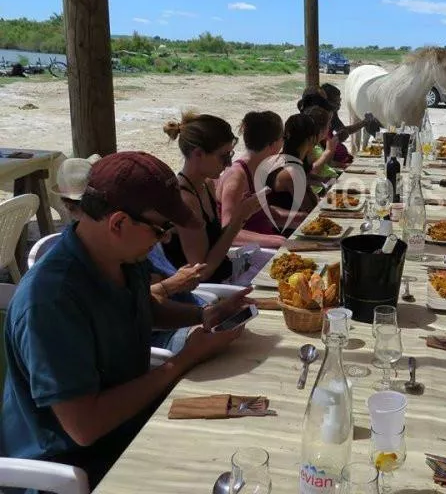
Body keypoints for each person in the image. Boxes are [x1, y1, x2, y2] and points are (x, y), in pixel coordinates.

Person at [0, 152, 250, 487]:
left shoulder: (122, 258)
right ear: (117, 223)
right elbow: (84, 426)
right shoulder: (51, 300)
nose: (164, 239)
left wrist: (204, 315)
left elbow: (142, 307)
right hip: (72, 468)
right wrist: (182, 361)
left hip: (132, 429)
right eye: (160, 229)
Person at [162, 112, 263, 283]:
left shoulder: (206, 184)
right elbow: (201, 271)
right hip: (205, 288)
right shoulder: (185, 199)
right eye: (223, 156)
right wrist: (239, 219)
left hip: (225, 274)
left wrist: (243, 214)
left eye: (230, 155)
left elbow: (216, 242)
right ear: (198, 154)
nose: (229, 164)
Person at [216, 111, 288, 247]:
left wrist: (302, 216)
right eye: (282, 137)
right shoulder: (237, 178)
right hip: (249, 252)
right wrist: (278, 241)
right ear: (272, 145)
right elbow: (227, 232)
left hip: (265, 245)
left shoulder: (257, 169)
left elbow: (261, 215)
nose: (284, 141)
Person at [265, 113, 319, 218]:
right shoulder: (293, 172)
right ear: (311, 139)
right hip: (289, 226)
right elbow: (311, 210)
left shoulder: (278, 158)